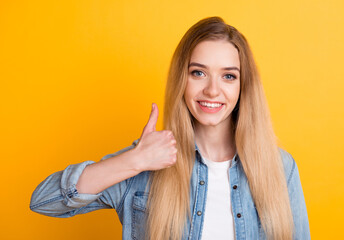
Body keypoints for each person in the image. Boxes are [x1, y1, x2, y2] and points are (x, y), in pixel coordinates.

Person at [30, 16, 310, 240]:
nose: (212, 90)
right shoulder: (143, 165)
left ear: (243, 85)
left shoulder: (280, 168)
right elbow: (43, 201)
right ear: (181, 80)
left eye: (228, 76)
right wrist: (135, 160)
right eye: (198, 72)